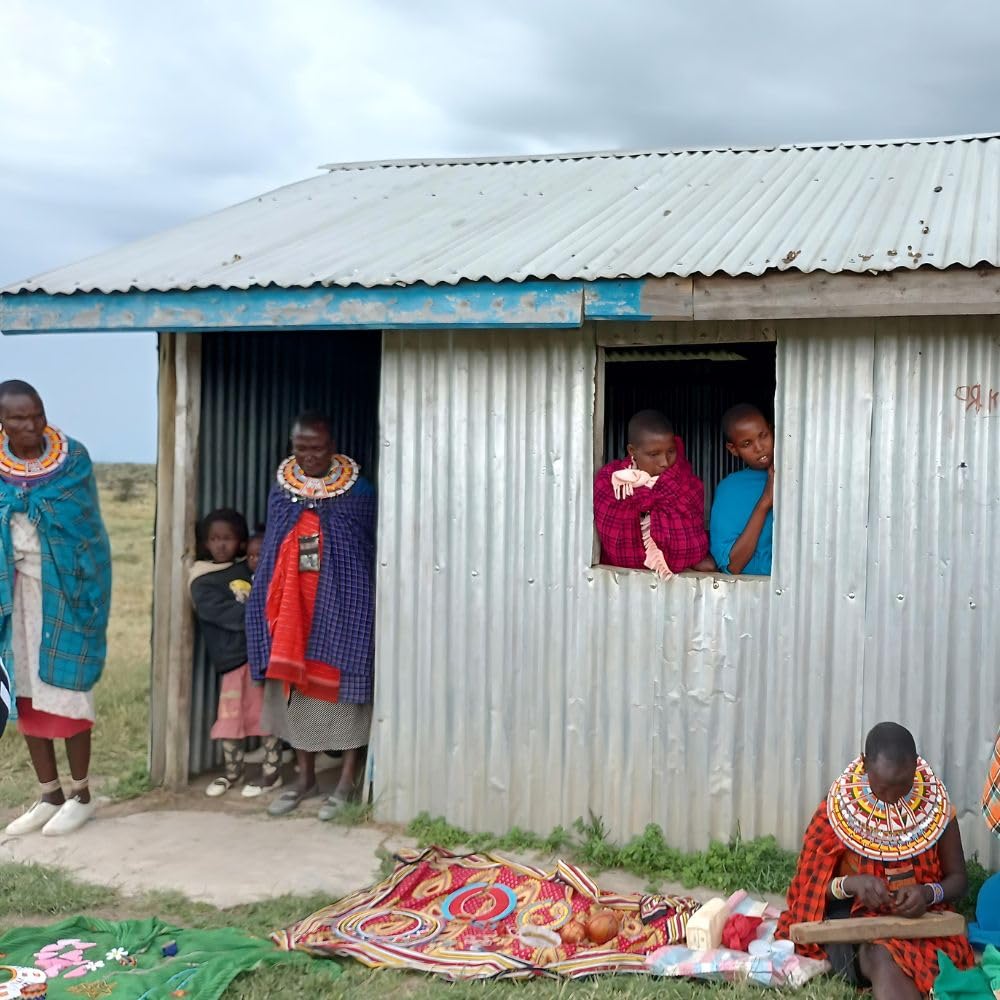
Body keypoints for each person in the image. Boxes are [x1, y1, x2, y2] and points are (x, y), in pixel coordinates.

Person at [777, 722, 973, 998]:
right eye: (883, 787)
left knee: (914, 956)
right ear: (865, 763)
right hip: (854, 926)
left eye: (902, 786)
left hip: (924, 924)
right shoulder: (838, 811)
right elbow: (807, 890)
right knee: (881, 953)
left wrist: (928, 893)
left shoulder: (937, 813)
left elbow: (958, 880)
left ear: (917, 766)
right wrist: (849, 885)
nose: (892, 799)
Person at [246, 411, 376, 821]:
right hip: (295, 609)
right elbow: (274, 546)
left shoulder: (359, 492)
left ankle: (346, 782)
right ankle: (303, 779)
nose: (309, 456)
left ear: (332, 445)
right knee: (296, 692)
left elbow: (366, 548)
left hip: (346, 606)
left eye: (317, 448)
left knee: (348, 691)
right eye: (301, 448)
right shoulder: (283, 490)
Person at [0, 380, 112, 836]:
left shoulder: (73, 459)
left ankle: (82, 794)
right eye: (18, 419)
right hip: (13, 595)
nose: (30, 425)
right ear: (2, 423)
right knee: (26, 691)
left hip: (67, 593)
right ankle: (49, 794)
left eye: (37, 414)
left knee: (68, 693)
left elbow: (84, 529)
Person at [190, 509, 282, 799]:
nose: (221, 545)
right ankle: (233, 772)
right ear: (205, 543)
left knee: (265, 717)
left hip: (258, 659)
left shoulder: (249, 567)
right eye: (214, 539)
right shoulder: (202, 580)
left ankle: (272, 771)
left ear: (241, 543)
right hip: (231, 662)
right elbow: (229, 615)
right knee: (231, 718)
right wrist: (259, 615)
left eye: (227, 539)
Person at [594, 410, 714, 577]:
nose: (664, 462)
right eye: (653, 454)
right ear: (632, 451)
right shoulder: (612, 481)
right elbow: (612, 533)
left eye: (671, 451)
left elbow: (690, 541)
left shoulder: (687, 482)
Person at [709, 404, 774, 575]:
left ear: (772, 430)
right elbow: (732, 565)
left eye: (763, 436)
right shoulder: (730, 490)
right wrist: (765, 502)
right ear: (733, 449)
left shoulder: (804, 477)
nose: (759, 447)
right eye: (747, 443)